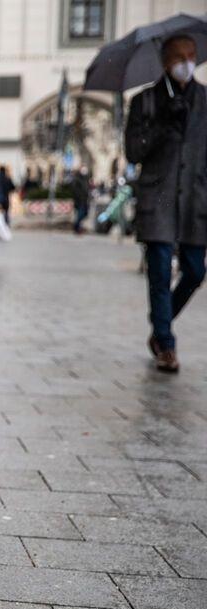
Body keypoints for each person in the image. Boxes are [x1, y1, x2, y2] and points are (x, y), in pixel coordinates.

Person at [124, 34, 207, 373]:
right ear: (165, 62)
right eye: (178, 57)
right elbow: (133, 152)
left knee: (195, 271)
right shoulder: (144, 102)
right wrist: (161, 126)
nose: (186, 62)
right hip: (157, 199)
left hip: (194, 201)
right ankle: (166, 345)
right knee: (159, 273)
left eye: (191, 55)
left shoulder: (204, 100)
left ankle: (160, 321)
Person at [71, 166, 92, 234]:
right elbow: (75, 190)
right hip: (79, 200)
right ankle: (76, 227)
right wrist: (79, 197)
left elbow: (87, 189)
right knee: (80, 214)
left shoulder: (85, 179)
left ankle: (76, 226)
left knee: (85, 213)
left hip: (85, 200)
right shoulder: (77, 179)